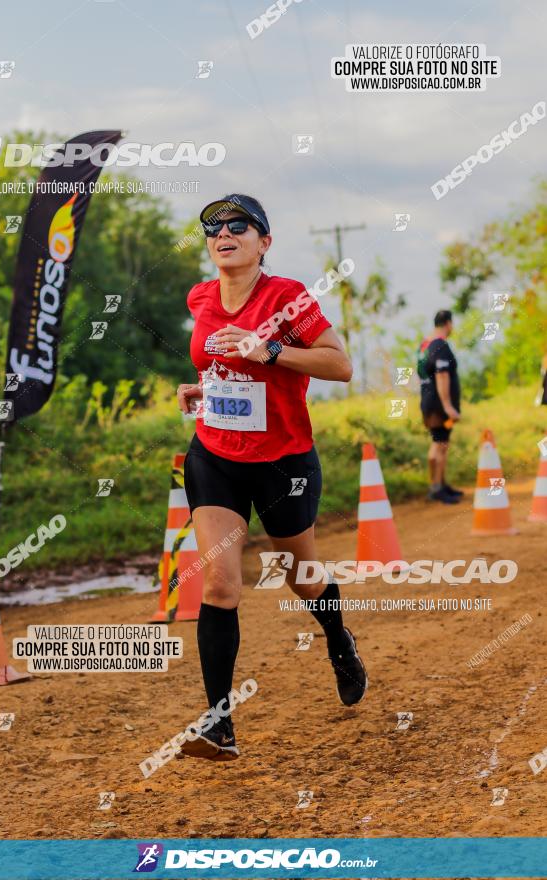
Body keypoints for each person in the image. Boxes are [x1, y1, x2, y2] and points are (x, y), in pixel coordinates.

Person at [176, 193, 368, 761]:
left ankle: (338, 638)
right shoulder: (202, 296)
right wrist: (206, 389)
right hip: (215, 455)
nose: (223, 233)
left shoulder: (289, 299)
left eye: (239, 225)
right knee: (220, 584)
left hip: (283, 463)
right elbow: (220, 366)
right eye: (213, 227)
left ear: (265, 241)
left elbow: (340, 364)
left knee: (300, 575)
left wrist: (271, 350)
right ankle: (220, 726)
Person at [418, 309, 463, 505]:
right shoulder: (440, 345)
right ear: (448, 323)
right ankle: (436, 488)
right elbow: (442, 375)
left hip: (428, 402)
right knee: (440, 444)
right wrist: (448, 406)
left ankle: (440, 485)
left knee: (439, 442)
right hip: (439, 406)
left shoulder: (424, 345)